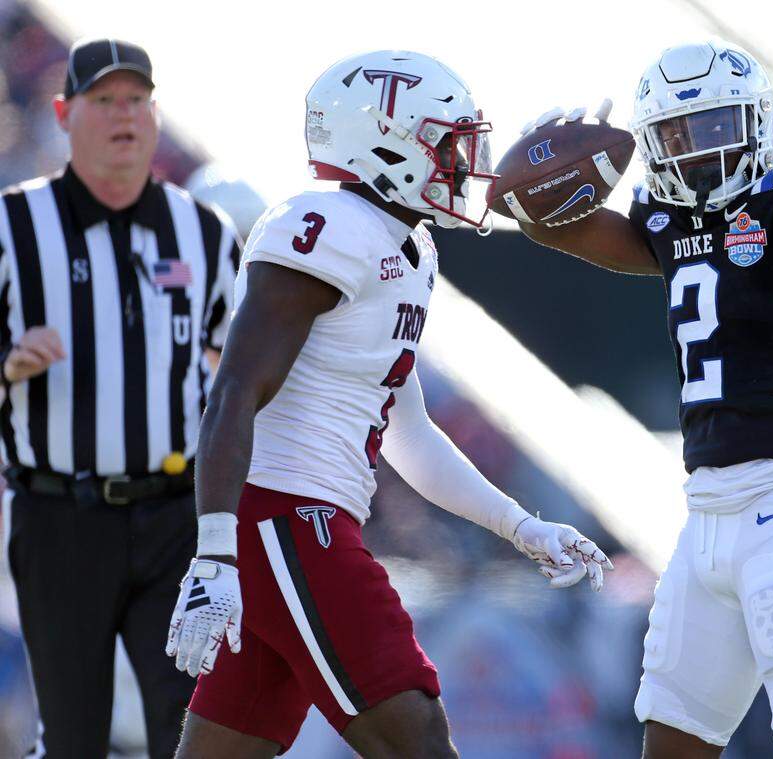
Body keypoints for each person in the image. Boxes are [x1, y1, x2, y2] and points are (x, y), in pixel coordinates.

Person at [163, 49, 613, 758]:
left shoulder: (410, 249)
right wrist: (215, 551)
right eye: (446, 143)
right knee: (419, 739)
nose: (463, 162)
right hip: (288, 519)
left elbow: (411, 435)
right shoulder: (325, 223)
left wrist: (521, 525)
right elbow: (235, 392)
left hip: (301, 521)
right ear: (384, 142)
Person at [515, 39, 773, 758]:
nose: (695, 151)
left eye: (712, 128)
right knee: (673, 738)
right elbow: (562, 229)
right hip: (705, 517)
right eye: (676, 135)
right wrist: (535, 178)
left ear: (756, 121)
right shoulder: (667, 221)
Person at [0, 37, 239, 757]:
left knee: (191, 732)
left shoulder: (206, 231)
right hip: (59, 515)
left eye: (136, 99)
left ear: (157, 116)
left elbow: (247, 370)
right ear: (65, 114)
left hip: (176, 517)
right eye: (103, 100)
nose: (122, 115)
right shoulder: (11, 227)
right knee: (73, 736)